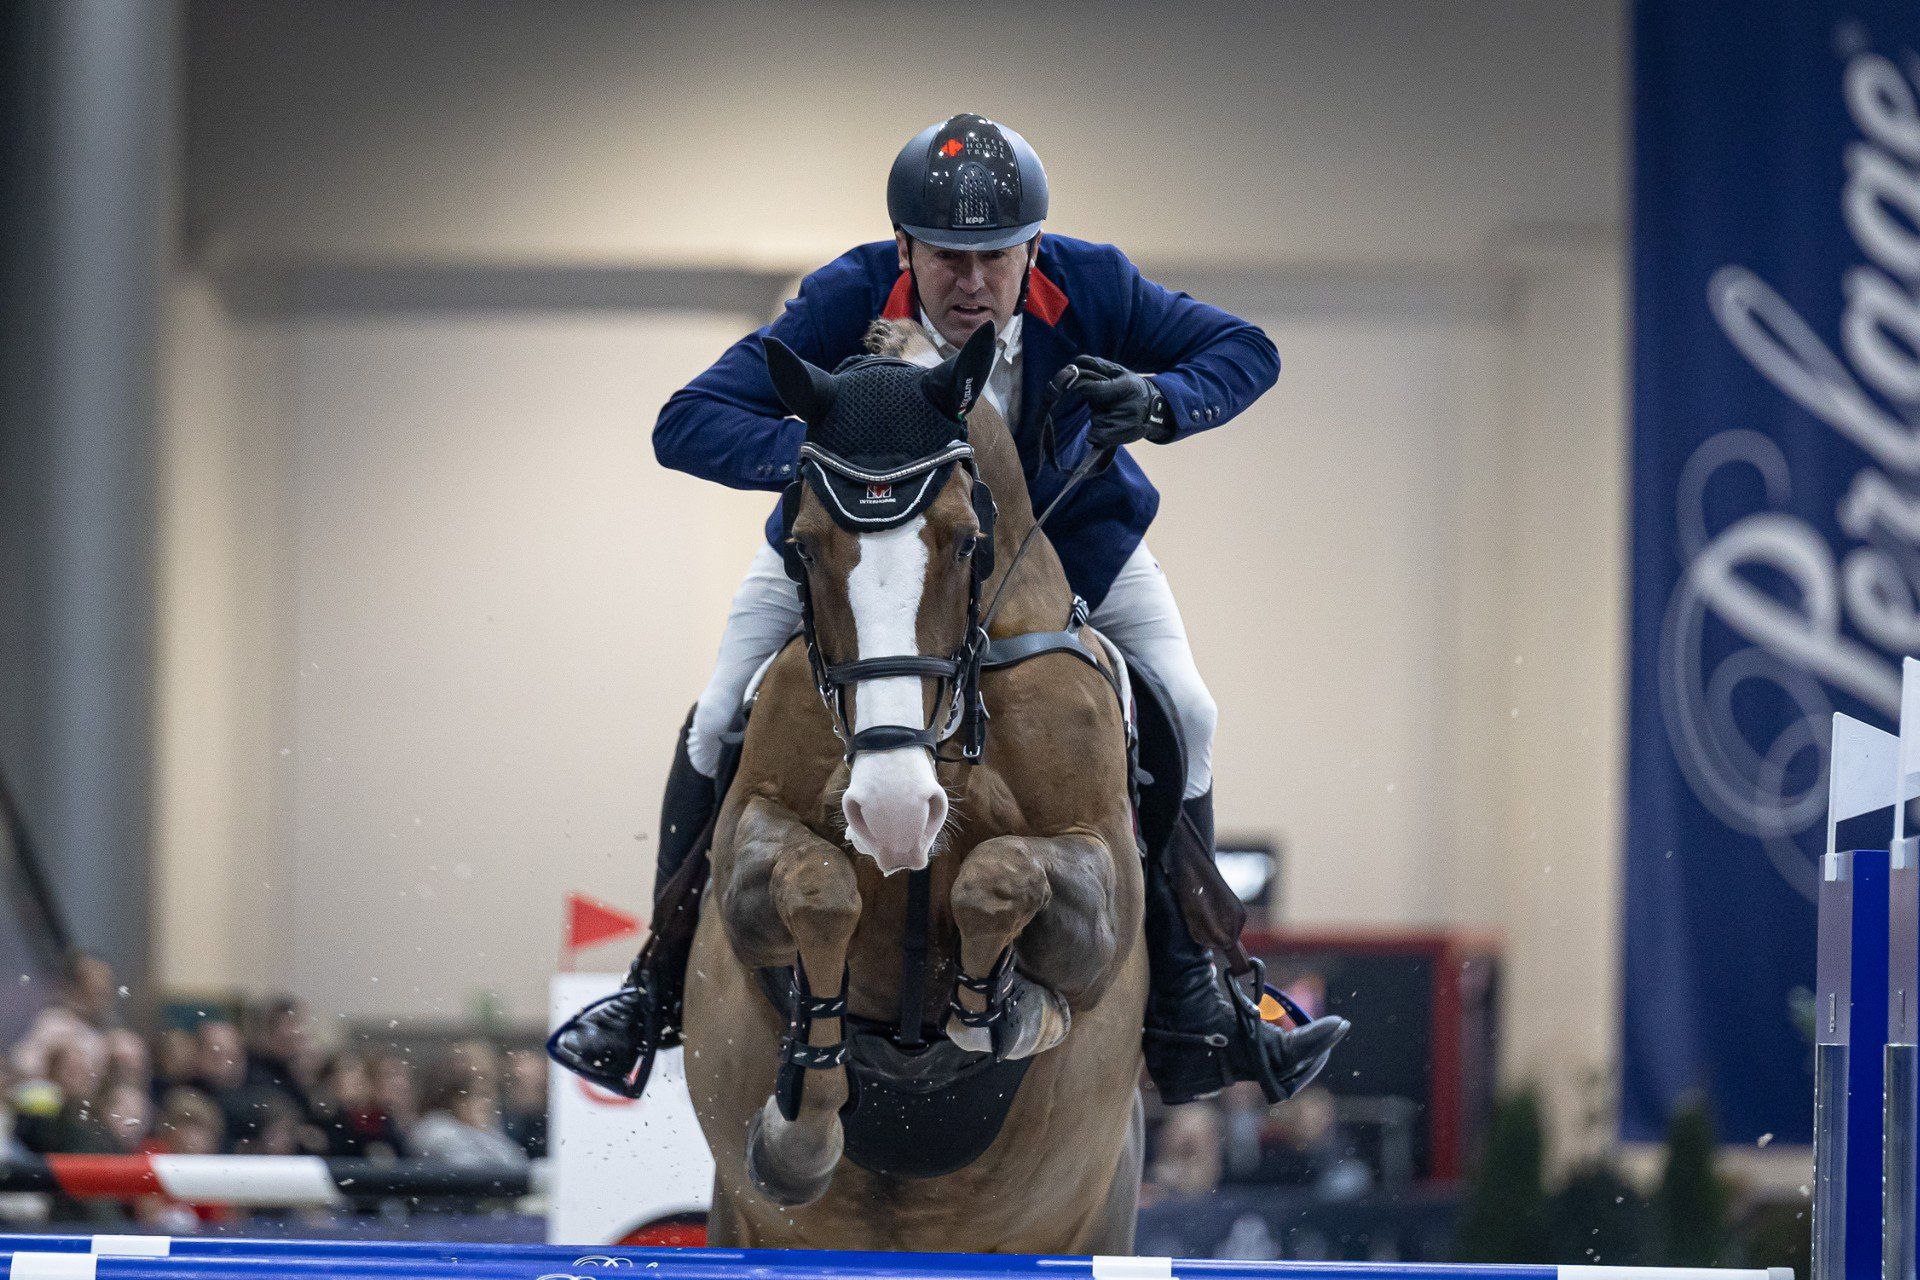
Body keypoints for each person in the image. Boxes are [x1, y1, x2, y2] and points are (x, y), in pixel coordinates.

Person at [550, 113, 1347, 1107]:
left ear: (1033, 250)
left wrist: (1158, 397)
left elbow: (1247, 348)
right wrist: (826, 470)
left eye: (994, 257)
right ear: (904, 249)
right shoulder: (846, 296)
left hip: (1069, 548)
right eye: (945, 257)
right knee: (718, 711)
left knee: (1189, 705)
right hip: (863, 567)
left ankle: (1196, 991)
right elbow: (687, 422)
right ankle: (652, 982)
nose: (971, 282)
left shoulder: (1095, 284)